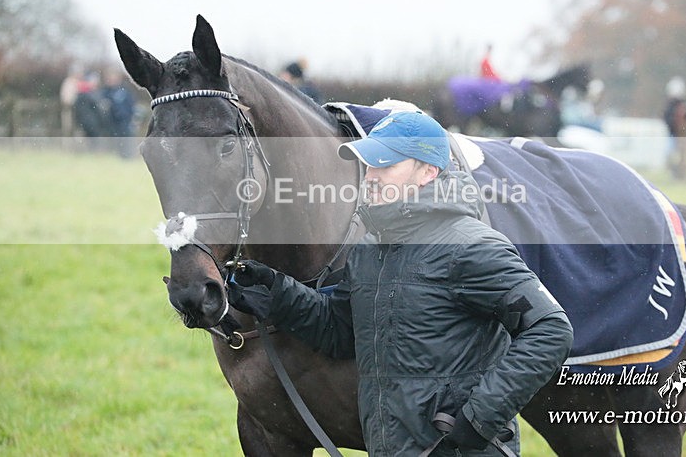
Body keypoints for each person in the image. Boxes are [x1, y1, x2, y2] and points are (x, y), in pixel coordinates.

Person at [226, 111, 574, 456]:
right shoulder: (367, 251)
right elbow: (340, 330)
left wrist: (479, 419)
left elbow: (550, 329)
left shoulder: (472, 247)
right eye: (370, 166)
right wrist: (278, 294)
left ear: (428, 171)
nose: (371, 177)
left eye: (385, 165)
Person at [101, 68, 137, 158]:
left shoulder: (125, 91)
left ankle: (128, 157)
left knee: (127, 139)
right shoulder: (105, 92)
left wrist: (133, 117)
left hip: (125, 120)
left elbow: (131, 104)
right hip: (112, 121)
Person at [662, 76, 686, 179]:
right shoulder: (676, 105)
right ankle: (676, 175)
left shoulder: (676, 106)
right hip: (674, 135)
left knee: (676, 157)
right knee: (674, 157)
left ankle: (678, 175)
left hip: (676, 135)